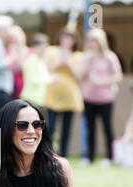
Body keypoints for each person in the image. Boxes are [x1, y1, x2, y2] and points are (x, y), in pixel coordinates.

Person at [77, 28, 123, 167]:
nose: (92, 43)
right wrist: (87, 61)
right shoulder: (85, 57)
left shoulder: (110, 57)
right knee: (90, 128)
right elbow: (79, 76)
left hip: (105, 99)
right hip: (88, 97)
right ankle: (89, 157)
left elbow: (118, 76)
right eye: (90, 40)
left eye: (95, 40)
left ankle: (110, 157)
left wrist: (102, 82)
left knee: (107, 127)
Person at [44, 27, 84, 157]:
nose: (66, 39)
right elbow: (44, 70)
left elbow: (80, 77)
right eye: (64, 36)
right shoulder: (51, 51)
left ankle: (63, 155)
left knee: (66, 130)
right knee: (50, 128)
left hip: (70, 96)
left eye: (70, 37)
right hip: (53, 95)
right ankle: (49, 155)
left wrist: (70, 65)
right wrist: (58, 64)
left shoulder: (78, 56)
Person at [20, 33, 51, 116]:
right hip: (31, 99)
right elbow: (34, 80)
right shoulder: (31, 60)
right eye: (42, 45)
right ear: (35, 46)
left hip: (39, 101)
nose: (45, 48)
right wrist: (51, 79)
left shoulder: (40, 61)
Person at [6, 25, 33, 100]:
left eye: (18, 37)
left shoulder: (32, 52)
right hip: (13, 92)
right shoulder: (7, 53)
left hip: (30, 92)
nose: (16, 40)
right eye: (13, 38)